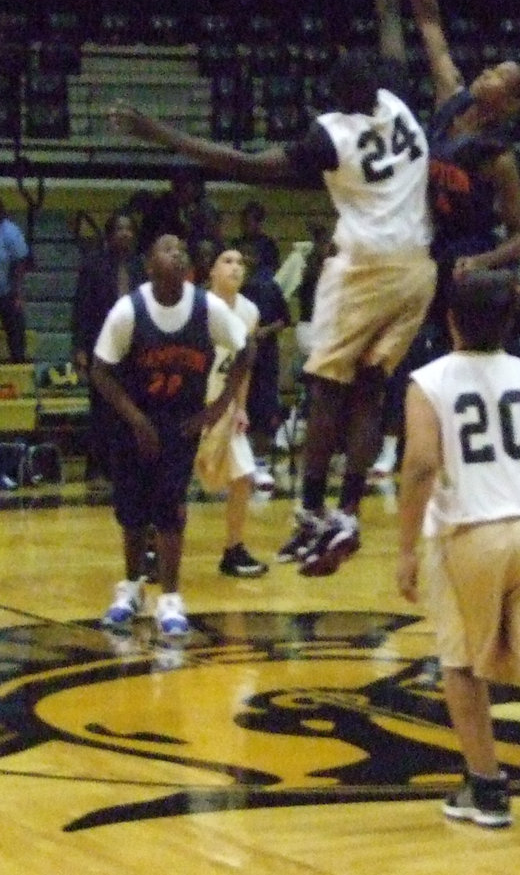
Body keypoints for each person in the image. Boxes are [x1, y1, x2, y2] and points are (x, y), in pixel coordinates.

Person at [109, 43, 437, 580]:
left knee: (326, 386)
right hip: (418, 269)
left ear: (335, 97)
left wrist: (160, 134)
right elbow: (392, 23)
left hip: (368, 268)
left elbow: (244, 164)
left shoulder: (332, 135)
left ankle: (310, 511)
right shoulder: (398, 103)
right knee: (372, 387)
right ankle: (348, 513)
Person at [396, 270, 520, 849]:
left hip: (470, 535)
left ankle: (485, 789)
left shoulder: (429, 380)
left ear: (450, 318)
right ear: (510, 320)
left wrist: (407, 548)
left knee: (460, 663)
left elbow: (419, 466)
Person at [367, 0, 520, 481]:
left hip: (470, 258)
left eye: (499, 78)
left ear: (509, 103)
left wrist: (480, 261)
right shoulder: (451, 99)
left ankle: (490, 448)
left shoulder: (499, 158)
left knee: (472, 358)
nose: (485, 73)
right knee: (404, 350)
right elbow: (430, 23)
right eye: (490, 69)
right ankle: (398, 444)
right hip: (428, 248)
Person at [90, 233, 251, 634]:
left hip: (180, 422)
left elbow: (247, 349)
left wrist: (217, 407)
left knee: (171, 509)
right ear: (149, 265)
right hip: (133, 422)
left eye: (181, 248)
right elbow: (99, 370)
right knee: (131, 512)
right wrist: (137, 420)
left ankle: (171, 597)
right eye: (166, 248)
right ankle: (130, 587)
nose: (177, 253)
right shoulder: (128, 311)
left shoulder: (207, 307)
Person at [192, 245, 269, 578]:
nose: (236, 267)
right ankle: (153, 546)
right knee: (172, 478)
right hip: (192, 405)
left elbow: (245, 365)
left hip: (224, 406)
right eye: (227, 261)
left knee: (244, 477)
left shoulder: (250, 311)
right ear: (211, 271)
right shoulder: (196, 307)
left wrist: (241, 407)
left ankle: (233, 550)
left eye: (240, 262)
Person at [71, 210, 145, 482]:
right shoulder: (94, 265)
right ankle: (96, 466)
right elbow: (81, 309)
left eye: (129, 229)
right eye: (120, 229)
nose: (125, 234)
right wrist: (80, 349)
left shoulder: (141, 266)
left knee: (129, 407)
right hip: (100, 346)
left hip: (134, 349)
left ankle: (124, 467)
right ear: (109, 235)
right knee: (100, 409)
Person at [239, 241, 291, 490]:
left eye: (249, 254)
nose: (244, 260)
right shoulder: (230, 289)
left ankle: (260, 464)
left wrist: (265, 331)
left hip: (264, 356)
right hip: (235, 358)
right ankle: (236, 464)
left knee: (262, 408)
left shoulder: (269, 287)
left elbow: (284, 319)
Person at [137, 168, 223, 259]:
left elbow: (213, 238)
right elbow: (151, 237)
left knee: (206, 248)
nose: (181, 188)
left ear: (196, 187)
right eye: (178, 185)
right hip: (169, 251)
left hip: (196, 253)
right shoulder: (161, 207)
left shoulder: (206, 208)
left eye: (186, 185)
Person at [0, 196, 29, 363]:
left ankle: (18, 364)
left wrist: (18, 293)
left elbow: (20, 263)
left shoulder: (10, 231)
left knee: (16, 331)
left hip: (7, 292)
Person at [235, 200, 281, 276]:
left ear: (258, 223)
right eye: (243, 223)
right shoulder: (237, 243)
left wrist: (255, 263)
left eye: (248, 223)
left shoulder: (268, 245)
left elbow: (273, 269)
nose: (244, 227)